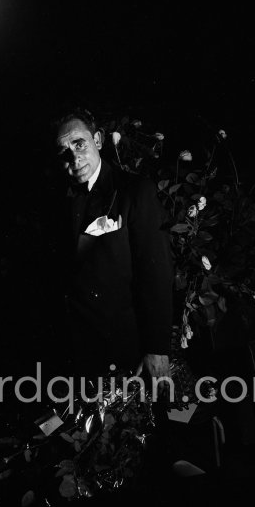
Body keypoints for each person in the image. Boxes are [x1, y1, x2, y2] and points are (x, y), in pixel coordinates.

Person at [49, 108, 173, 386]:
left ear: (98, 140)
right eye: (64, 151)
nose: (74, 156)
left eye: (79, 143)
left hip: (126, 347)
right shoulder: (57, 201)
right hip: (76, 352)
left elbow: (155, 273)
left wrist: (157, 347)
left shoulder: (134, 191)